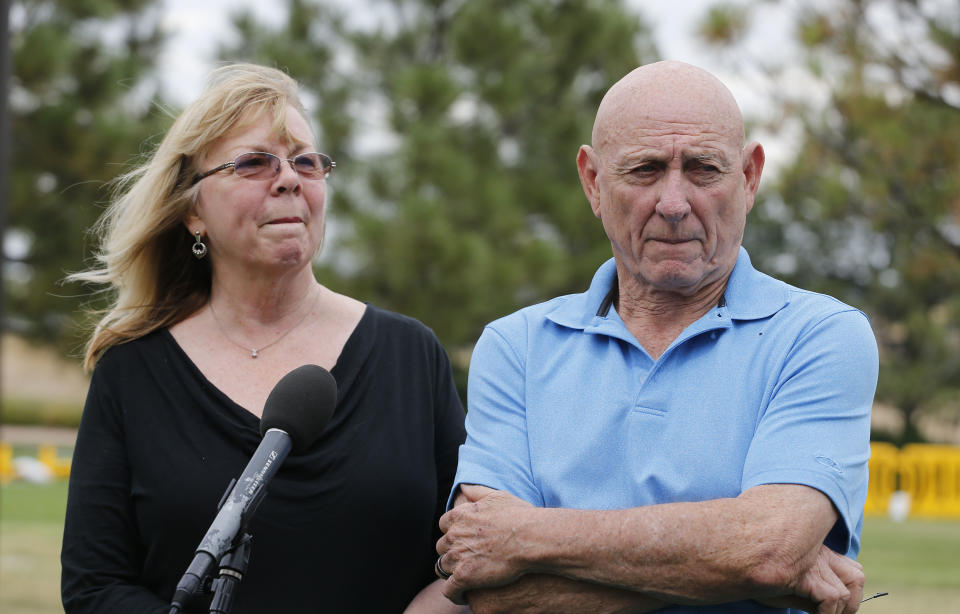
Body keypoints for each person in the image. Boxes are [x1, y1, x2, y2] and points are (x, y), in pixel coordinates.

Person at [435, 61, 878, 614]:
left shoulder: (819, 336)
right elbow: (491, 594)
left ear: (749, 177)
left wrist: (523, 537)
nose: (673, 203)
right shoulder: (516, 347)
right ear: (593, 182)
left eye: (703, 169)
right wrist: (741, 571)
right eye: (645, 170)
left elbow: (768, 548)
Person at [61, 63, 468, 614]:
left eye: (306, 161)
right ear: (192, 212)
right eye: (253, 163)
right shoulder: (131, 372)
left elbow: (469, 558)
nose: (289, 178)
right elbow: (95, 588)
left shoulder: (411, 354)